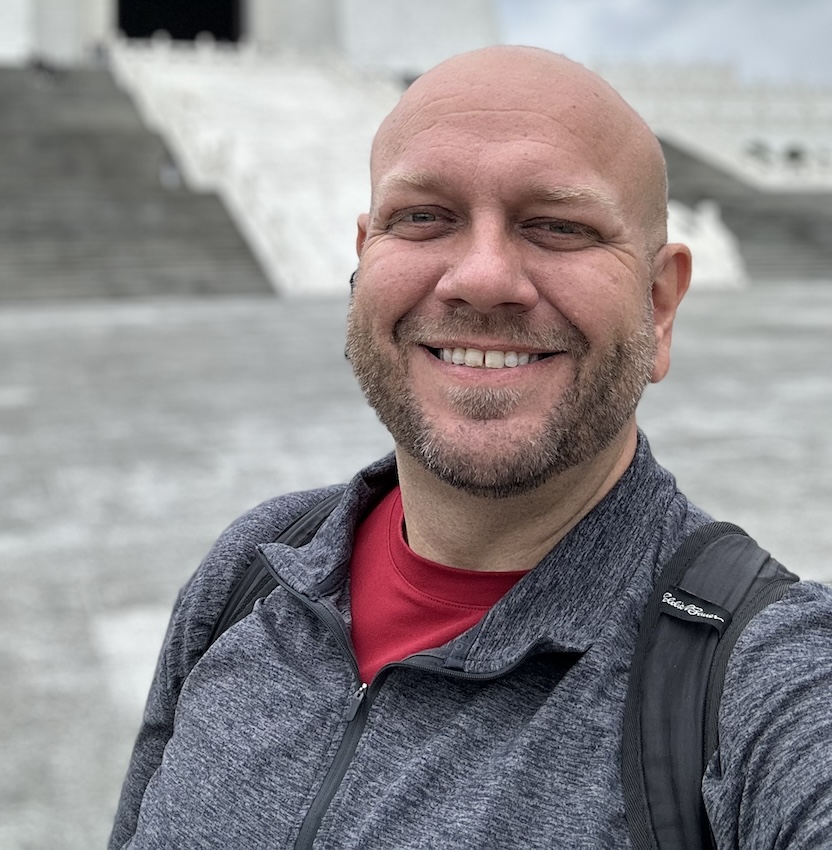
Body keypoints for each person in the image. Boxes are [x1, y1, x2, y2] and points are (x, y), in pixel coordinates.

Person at [108, 46, 832, 848]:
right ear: (362, 262)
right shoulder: (251, 572)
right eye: (422, 217)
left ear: (658, 306)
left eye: (558, 225)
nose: (482, 278)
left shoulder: (756, 679)